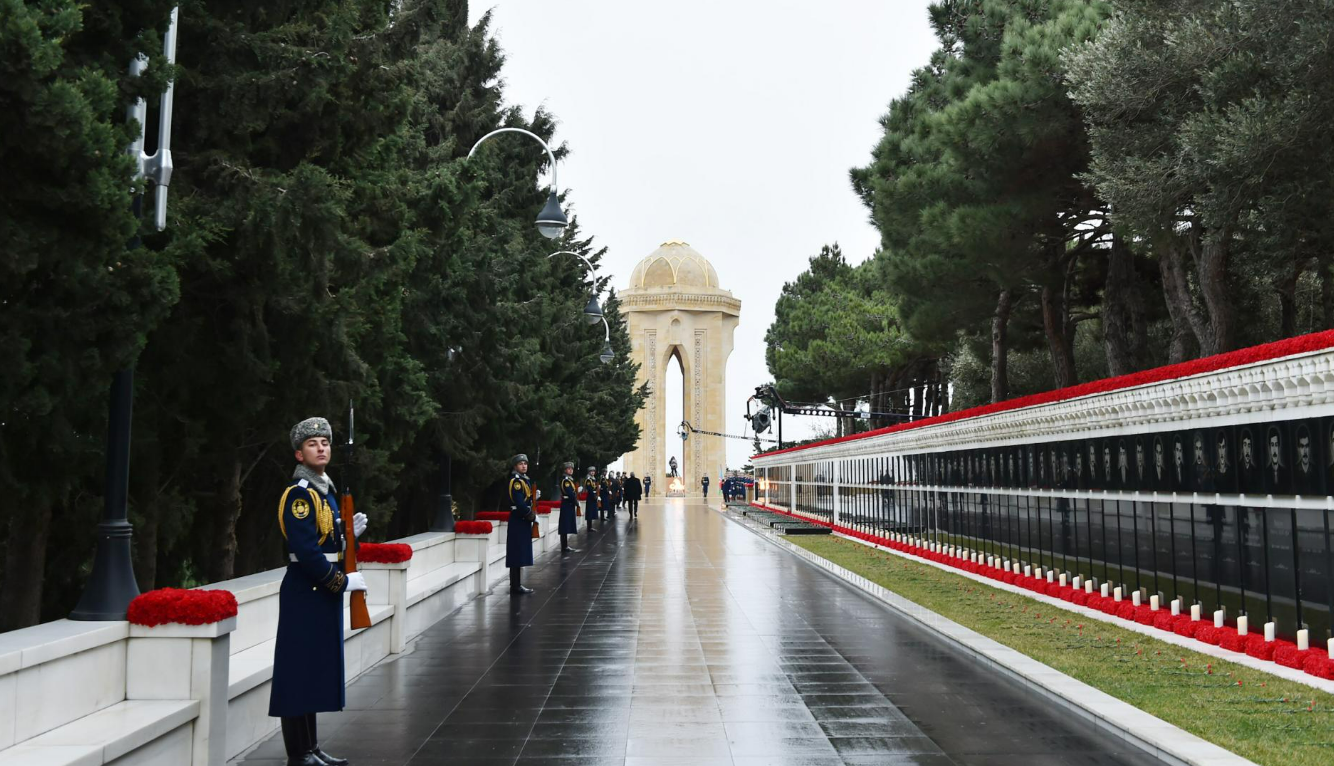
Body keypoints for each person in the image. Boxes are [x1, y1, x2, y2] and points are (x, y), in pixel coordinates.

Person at [270, 417, 366, 766]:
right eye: (313, 444)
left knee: (310, 671)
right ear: (299, 454)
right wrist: (341, 583)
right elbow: (306, 551)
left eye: (325, 442)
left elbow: (325, 540)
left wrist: (346, 532)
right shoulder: (300, 495)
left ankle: (311, 747)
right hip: (306, 589)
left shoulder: (322, 492)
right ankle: (298, 754)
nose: (321, 447)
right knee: (298, 673)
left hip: (317, 590)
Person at [507, 454, 536, 594]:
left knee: (519, 552)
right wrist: (528, 513)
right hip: (518, 519)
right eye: (521, 464)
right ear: (515, 466)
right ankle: (515, 585)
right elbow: (519, 502)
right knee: (516, 553)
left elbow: (525, 498)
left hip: (522, 519)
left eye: (525, 463)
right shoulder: (516, 481)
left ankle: (517, 584)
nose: (524, 466)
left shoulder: (524, 480)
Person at [558, 461, 580, 553]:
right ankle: (564, 546)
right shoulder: (566, 481)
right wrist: (576, 502)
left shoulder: (569, 480)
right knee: (564, 526)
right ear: (565, 470)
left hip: (568, 504)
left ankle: (565, 545)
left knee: (566, 525)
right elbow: (570, 494)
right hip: (567, 504)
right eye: (568, 469)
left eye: (571, 469)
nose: (570, 470)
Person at [583, 466, 600, 531]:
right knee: (589, 512)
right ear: (589, 472)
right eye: (591, 471)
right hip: (590, 497)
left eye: (593, 471)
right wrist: (594, 497)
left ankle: (590, 526)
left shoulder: (593, 479)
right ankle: (589, 527)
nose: (593, 472)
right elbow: (590, 489)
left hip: (593, 496)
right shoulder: (588, 480)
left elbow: (594, 488)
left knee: (592, 512)